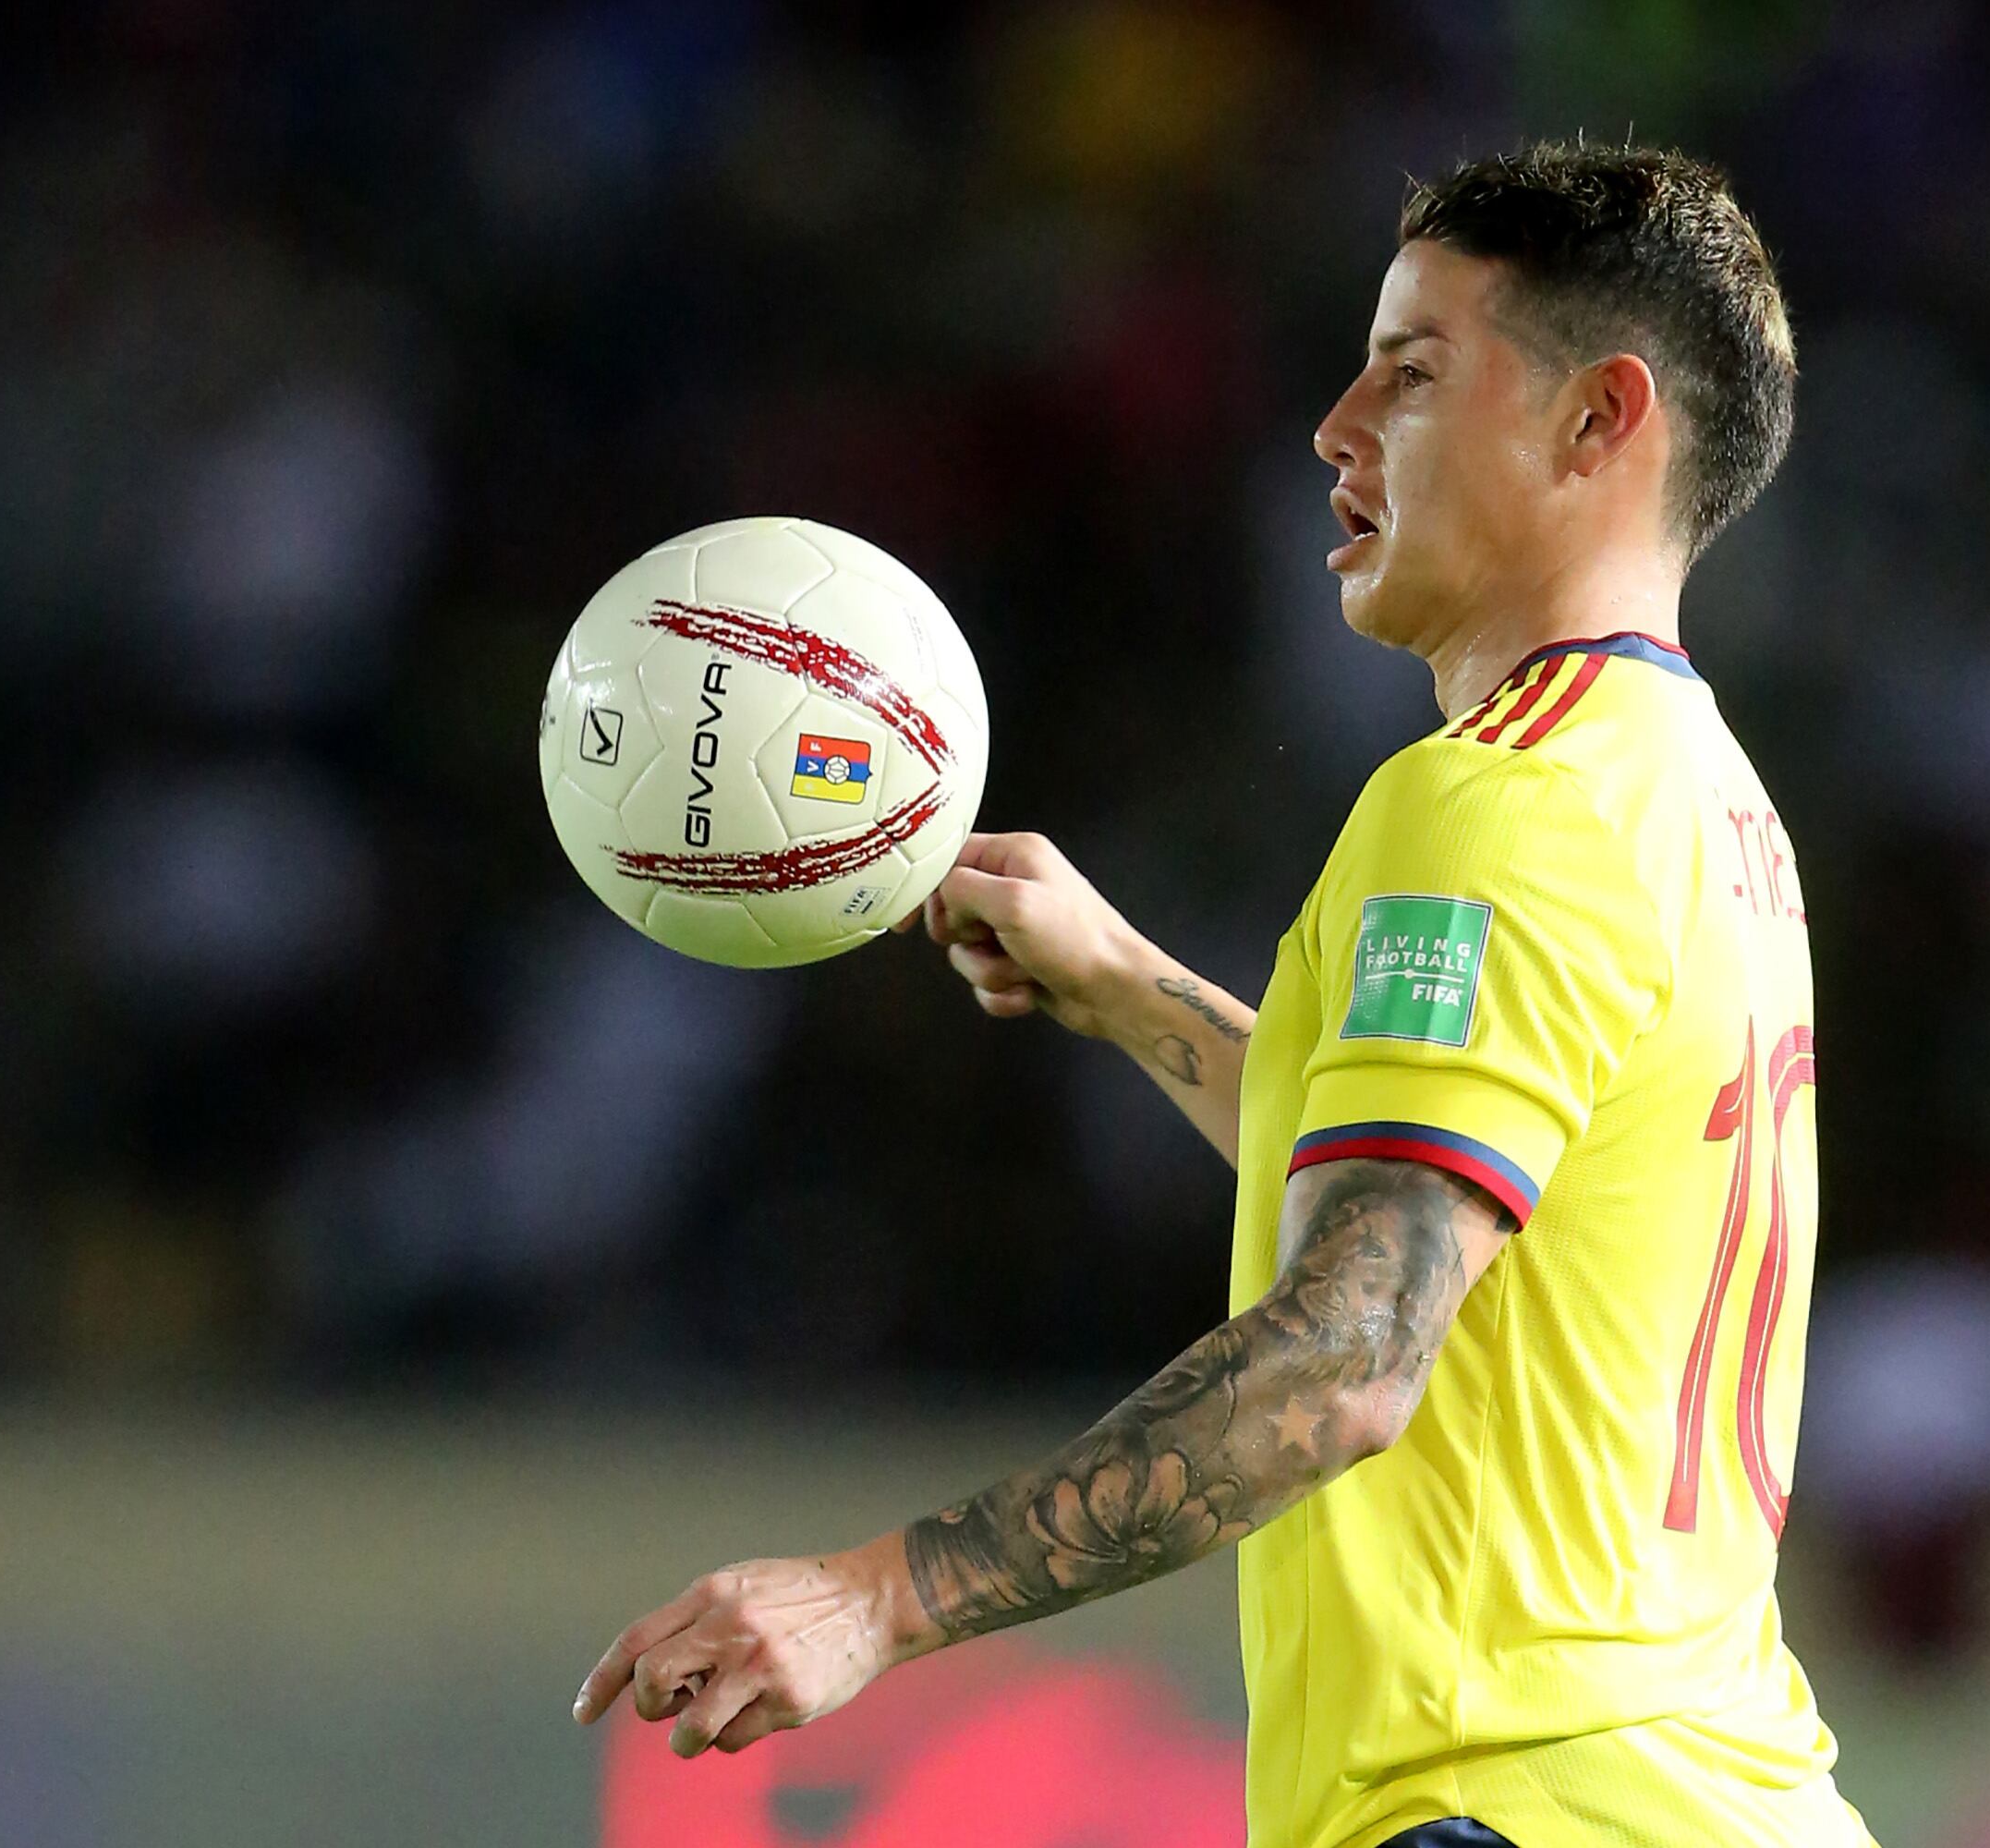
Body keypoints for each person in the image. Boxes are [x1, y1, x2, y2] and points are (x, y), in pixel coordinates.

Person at [576, 139, 1875, 1848]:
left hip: (1514, 1811)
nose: (1337, 428)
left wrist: (879, 1598)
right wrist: (1129, 992)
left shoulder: (1495, 804)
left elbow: (1351, 1352)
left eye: (1410, 374)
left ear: (1597, 419)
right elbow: (1452, 1223)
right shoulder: (1697, 799)